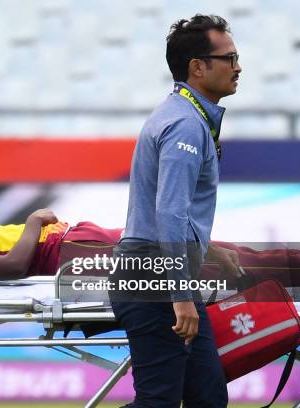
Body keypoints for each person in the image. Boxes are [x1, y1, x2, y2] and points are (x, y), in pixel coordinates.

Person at [112, 14, 242, 407]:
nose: (238, 68)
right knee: (159, 402)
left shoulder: (184, 117)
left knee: (207, 398)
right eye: (229, 59)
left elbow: (169, 212)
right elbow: (168, 213)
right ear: (197, 67)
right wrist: (181, 295)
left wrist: (209, 248)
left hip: (158, 273)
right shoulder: (185, 125)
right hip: (155, 278)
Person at [0, 212, 252, 282]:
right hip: (72, 252)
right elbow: (12, 266)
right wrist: (31, 223)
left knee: (165, 240)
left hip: (75, 243)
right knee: (165, 245)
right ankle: (237, 262)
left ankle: (222, 256)